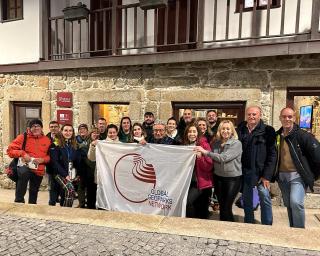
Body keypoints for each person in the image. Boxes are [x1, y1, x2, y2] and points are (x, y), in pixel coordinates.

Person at [275, 107, 320, 228]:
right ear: (280, 118)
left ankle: (299, 232)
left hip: (297, 176)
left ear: (294, 118)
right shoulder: (277, 136)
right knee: (289, 204)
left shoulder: (303, 135)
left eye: (290, 116)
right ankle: (293, 229)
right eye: (284, 116)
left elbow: (317, 156)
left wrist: (312, 175)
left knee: (296, 203)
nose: (287, 119)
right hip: (282, 177)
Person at [236, 106, 277, 225]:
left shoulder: (268, 131)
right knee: (247, 200)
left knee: (265, 198)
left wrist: (267, 176)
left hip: (261, 173)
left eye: (254, 114)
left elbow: (272, 155)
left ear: (260, 115)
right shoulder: (240, 130)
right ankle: (249, 223)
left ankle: (267, 225)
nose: (251, 116)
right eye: (249, 114)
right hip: (245, 172)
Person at [196, 120, 242, 222]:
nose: (225, 131)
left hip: (232, 179)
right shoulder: (216, 143)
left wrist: (204, 152)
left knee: (227, 206)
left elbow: (223, 158)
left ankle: (230, 229)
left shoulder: (236, 143)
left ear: (232, 131)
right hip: (218, 178)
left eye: (228, 129)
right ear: (220, 130)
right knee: (221, 205)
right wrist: (200, 155)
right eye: (223, 129)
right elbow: (211, 159)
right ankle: (222, 228)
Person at [7, 119, 51, 204]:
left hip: (38, 170)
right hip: (25, 167)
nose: (35, 128)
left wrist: (43, 159)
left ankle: (32, 207)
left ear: (41, 128)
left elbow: (50, 156)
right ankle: (19, 202)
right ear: (29, 128)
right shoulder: (22, 137)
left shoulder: (47, 140)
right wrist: (22, 153)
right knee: (23, 178)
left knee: (34, 192)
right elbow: (10, 151)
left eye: (38, 126)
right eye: (33, 126)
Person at [184, 124, 213, 219]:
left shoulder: (204, 145)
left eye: (194, 131)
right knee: (192, 205)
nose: (192, 134)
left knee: (189, 203)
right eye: (189, 131)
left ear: (198, 133)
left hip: (199, 182)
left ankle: (192, 224)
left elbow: (209, 166)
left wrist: (200, 158)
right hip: (187, 181)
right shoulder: (184, 146)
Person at [50, 124, 82, 207]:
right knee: (70, 190)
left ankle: (64, 209)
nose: (68, 133)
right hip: (59, 173)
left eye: (70, 131)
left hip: (71, 172)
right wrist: (65, 175)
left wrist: (77, 174)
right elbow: (55, 162)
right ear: (62, 131)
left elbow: (77, 162)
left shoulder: (75, 145)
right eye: (66, 130)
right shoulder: (55, 144)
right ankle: (66, 211)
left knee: (65, 194)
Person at [78, 127, 100, 209]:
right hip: (87, 170)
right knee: (89, 189)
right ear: (90, 134)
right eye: (94, 132)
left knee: (95, 190)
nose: (95, 134)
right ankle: (88, 206)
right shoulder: (85, 143)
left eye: (97, 133)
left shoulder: (101, 142)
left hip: (96, 170)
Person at [46, 121, 62, 206]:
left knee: (60, 184)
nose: (53, 128)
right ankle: (52, 202)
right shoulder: (46, 138)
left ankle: (57, 198)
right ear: (49, 128)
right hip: (51, 166)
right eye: (51, 126)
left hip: (61, 165)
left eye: (55, 126)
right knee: (52, 185)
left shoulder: (62, 137)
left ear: (58, 128)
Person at [75, 123, 90, 208]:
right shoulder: (75, 139)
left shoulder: (90, 139)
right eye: (80, 129)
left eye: (84, 129)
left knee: (89, 186)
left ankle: (89, 202)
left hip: (89, 165)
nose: (82, 131)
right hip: (80, 165)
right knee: (80, 186)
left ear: (87, 131)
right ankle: (81, 203)